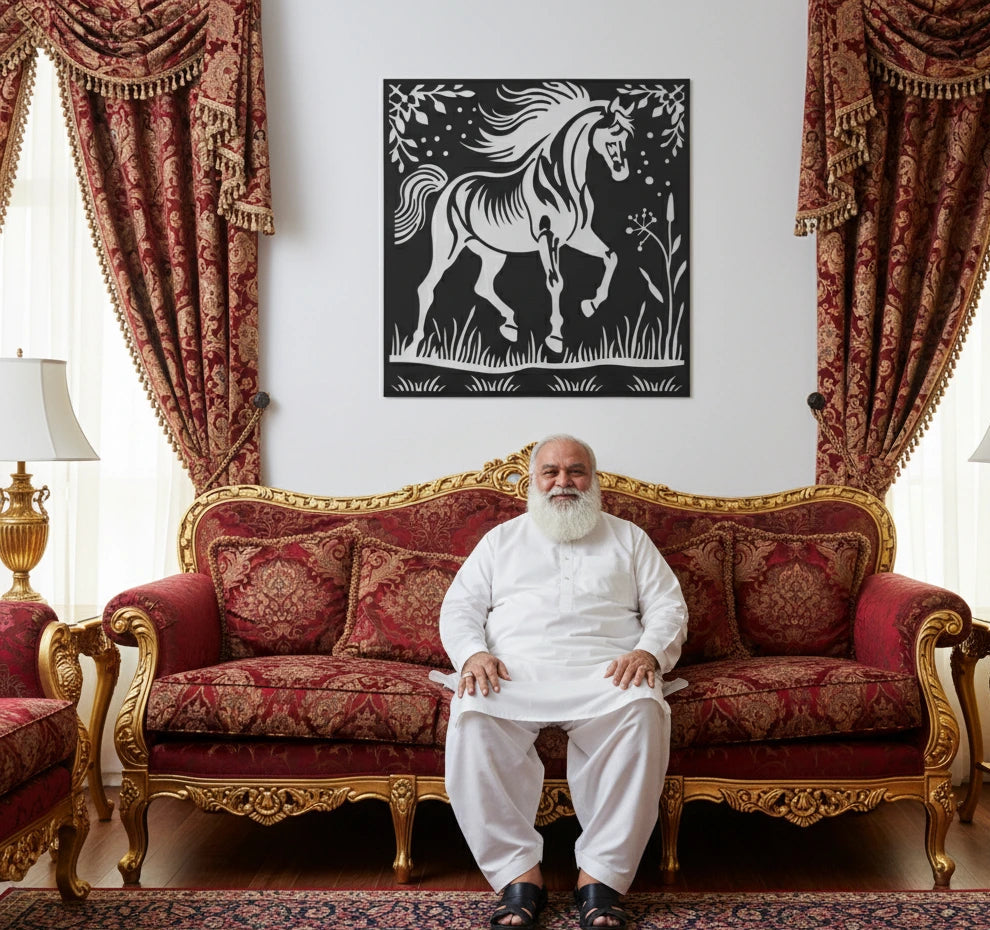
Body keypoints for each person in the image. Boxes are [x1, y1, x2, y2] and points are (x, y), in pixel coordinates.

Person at [434, 435, 688, 929]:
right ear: (532, 481)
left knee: (642, 711)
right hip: (513, 671)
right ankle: (518, 877)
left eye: (575, 471)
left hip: (608, 673)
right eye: (550, 471)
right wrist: (473, 654)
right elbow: (459, 606)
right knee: (473, 715)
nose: (562, 482)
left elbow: (668, 607)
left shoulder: (629, 538)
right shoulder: (501, 540)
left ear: (595, 481)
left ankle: (601, 880)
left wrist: (648, 652)